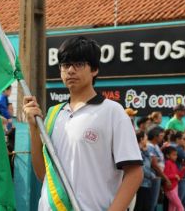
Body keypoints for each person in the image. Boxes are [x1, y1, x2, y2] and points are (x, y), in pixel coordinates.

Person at [23, 36, 143, 210]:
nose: (70, 70)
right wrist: (34, 128)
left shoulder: (112, 112)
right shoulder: (53, 114)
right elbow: (43, 174)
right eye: (65, 65)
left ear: (94, 69)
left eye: (78, 64)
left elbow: (135, 173)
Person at [147, 126, 171, 211]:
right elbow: (155, 165)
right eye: (161, 136)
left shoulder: (155, 145)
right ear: (155, 136)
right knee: (152, 203)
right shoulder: (150, 146)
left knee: (155, 202)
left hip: (158, 177)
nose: (162, 138)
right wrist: (166, 178)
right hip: (154, 177)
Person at [169, 131, 185, 211]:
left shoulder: (180, 148)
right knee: (178, 203)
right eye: (184, 139)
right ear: (178, 139)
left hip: (183, 177)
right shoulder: (177, 148)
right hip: (180, 179)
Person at [135, 131, 155, 211]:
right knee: (140, 206)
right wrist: (151, 175)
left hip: (146, 183)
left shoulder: (143, 150)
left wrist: (146, 150)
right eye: (146, 138)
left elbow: (149, 162)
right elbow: (142, 168)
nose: (147, 140)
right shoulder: (137, 151)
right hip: (141, 184)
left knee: (146, 206)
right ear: (141, 139)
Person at [163, 146, 185, 211]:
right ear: (167, 156)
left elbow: (179, 176)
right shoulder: (168, 163)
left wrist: (183, 169)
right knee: (180, 207)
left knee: (172, 208)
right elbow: (165, 175)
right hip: (170, 189)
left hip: (175, 187)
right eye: (173, 155)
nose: (176, 156)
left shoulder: (174, 164)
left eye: (176, 155)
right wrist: (175, 176)